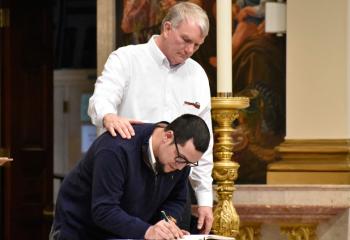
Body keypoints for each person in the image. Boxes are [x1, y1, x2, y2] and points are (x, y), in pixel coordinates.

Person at [88, 2, 214, 233]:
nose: (189, 50)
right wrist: (108, 116)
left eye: (196, 45)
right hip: (126, 182)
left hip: (171, 191)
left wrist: (205, 198)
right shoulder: (127, 58)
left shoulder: (197, 75)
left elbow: (203, 139)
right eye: (186, 40)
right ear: (167, 28)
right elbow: (101, 97)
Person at [50, 114, 210, 240]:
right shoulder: (116, 149)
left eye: (189, 163)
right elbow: (104, 210)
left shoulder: (181, 160)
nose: (180, 167)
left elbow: (175, 200)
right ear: (167, 136)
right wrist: (148, 231)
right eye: (180, 158)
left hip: (124, 233)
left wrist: (165, 223)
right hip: (80, 229)